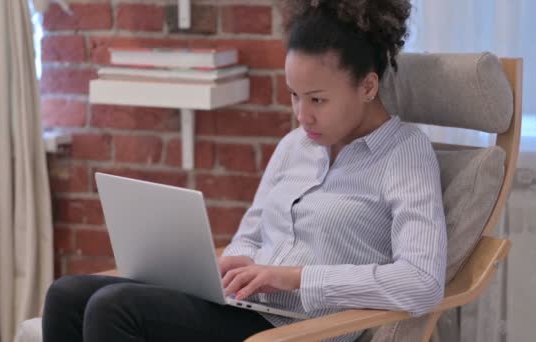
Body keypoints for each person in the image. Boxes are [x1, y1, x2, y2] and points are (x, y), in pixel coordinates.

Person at [42, 0, 447, 341]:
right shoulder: (295, 146)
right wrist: (229, 266)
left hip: (298, 328)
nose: (302, 115)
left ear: (368, 87)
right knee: (66, 293)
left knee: (116, 310)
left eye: (318, 100)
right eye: (294, 96)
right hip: (245, 306)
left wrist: (296, 277)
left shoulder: (405, 154)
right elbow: (250, 236)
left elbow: (422, 282)